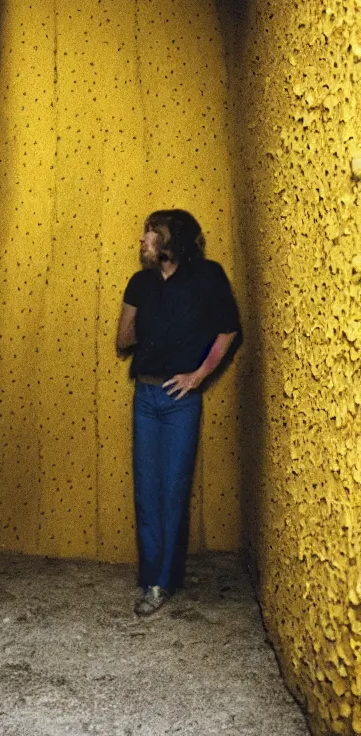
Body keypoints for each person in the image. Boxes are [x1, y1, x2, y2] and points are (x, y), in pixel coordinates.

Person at [116, 209, 241, 616]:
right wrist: (147, 324)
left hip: (180, 401)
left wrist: (200, 374)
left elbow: (229, 329)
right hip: (146, 395)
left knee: (173, 490)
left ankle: (164, 582)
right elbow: (123, 340)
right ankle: (152, 577)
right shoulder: (141, 282)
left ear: (171, 238)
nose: (141, 240)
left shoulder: (208, 276)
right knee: (146, 491)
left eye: (149, 232)